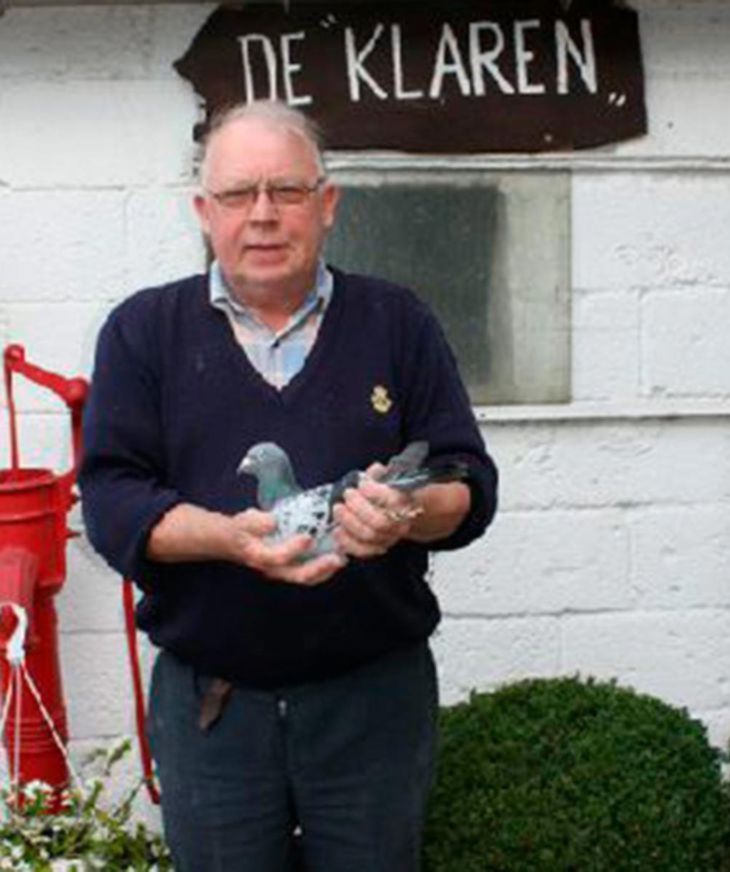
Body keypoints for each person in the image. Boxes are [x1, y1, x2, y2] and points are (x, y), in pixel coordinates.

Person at [79, 99, 497, 872]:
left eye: (288, 191)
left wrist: (405, 513)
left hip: (373, 701)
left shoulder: (397, 321)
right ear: (204, 211)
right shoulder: (143, 332)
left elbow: (468, 485)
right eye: (239, 194)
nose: (264, 215)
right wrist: (228, 539)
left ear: (327, 203)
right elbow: (110, 504)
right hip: (213, 711)